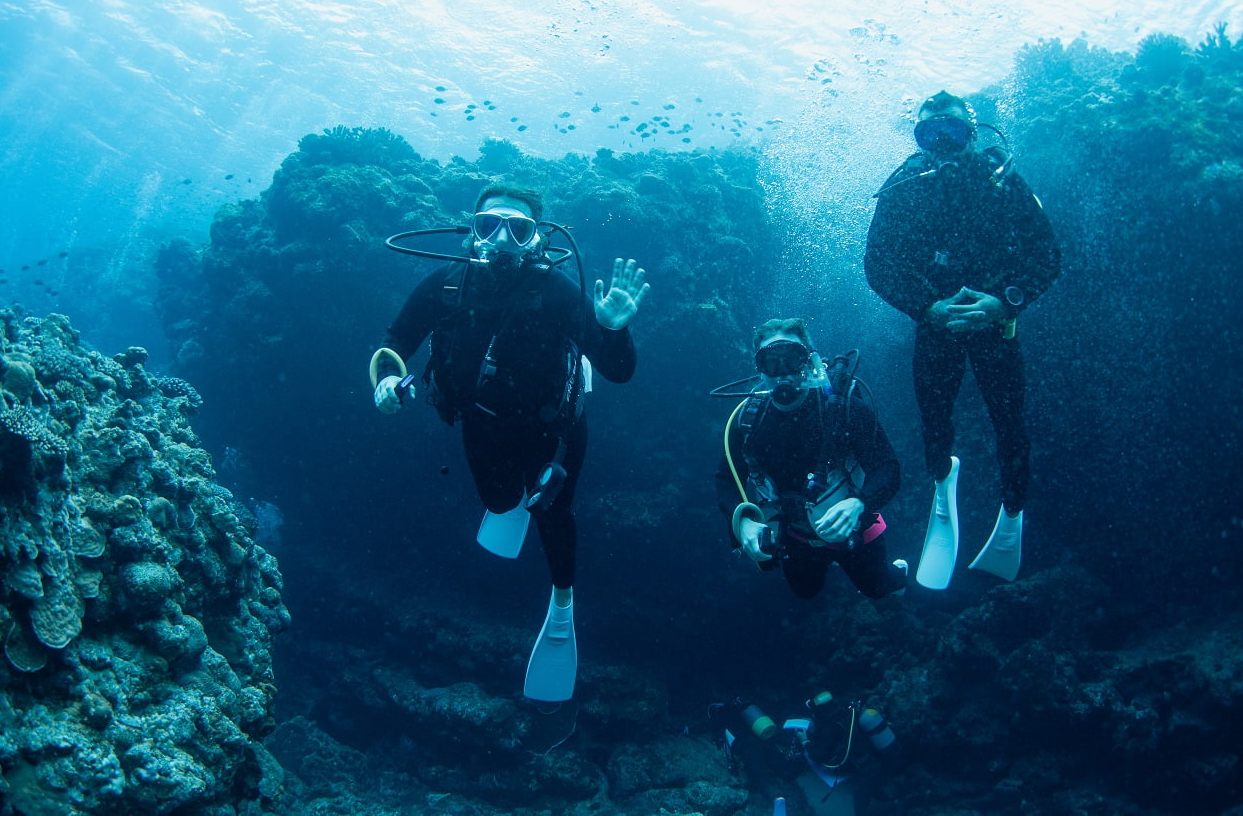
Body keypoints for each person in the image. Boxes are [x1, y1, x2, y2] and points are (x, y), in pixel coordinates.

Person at [370, 182, 649, 702]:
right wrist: (386, 380)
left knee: (552, 514)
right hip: (482, 421)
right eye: (488, 226)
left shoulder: (558, 291)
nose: (502, 239)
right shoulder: (447, 286)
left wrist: (612, 330)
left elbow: (619, 371)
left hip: (556, 430)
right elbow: (396, 340)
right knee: (499, 501)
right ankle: (510, 502)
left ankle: (563, 606)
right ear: (471, 233)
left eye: (517, 230)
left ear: (536, 240)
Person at [864, 91, 1061, 589]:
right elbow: (876, 265)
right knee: (934, 421)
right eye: (930, 133)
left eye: (951, 130)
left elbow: (1048, 255)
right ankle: (941, 483)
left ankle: (1012, 507)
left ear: (972, 133)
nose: (941, 141)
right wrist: (927, 308)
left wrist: (1004, 302)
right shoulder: (906, 185)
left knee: (1008, 422)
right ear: (919, 138)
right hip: (938, 327)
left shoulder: (1003, 180)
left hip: (996, 324)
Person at [717, 318, 907, 600]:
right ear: (759, 368)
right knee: (805, 592)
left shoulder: (844, 408)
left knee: (881, 589)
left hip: (854, 529)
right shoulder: (747, 421)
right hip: (796, 536)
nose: (783, 374)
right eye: (771, 361)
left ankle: (898, 571)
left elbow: (887, 468)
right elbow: (725, 480)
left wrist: (860, 504)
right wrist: (742, 522)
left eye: (792, 359)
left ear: (808, 362)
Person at [709, 690, 906, 815]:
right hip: (875, 760)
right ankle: (895, 800)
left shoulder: (830, 726)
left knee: (862, 811)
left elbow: (818, 754)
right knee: (876, 791)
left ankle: (903, 805)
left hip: (865, 769)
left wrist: (805, 741)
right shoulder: (846, 714)